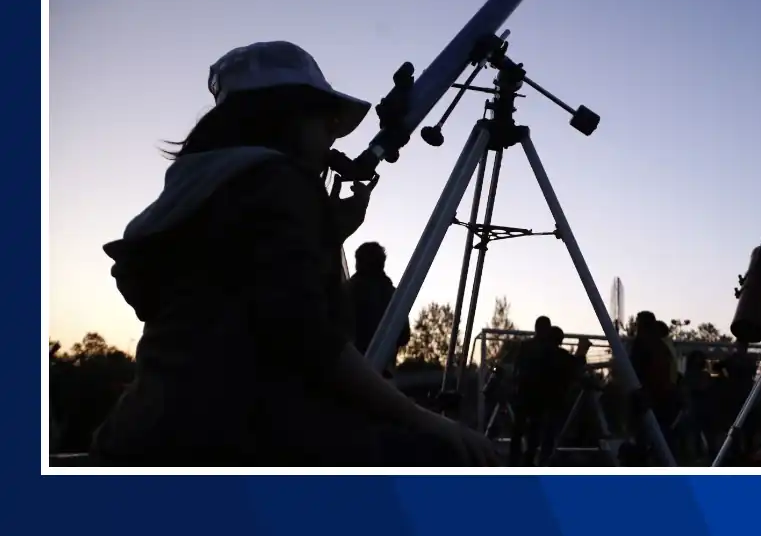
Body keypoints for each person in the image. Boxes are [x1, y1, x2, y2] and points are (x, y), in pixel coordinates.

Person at [91, 41, 498, 467]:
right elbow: (304, 336)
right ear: (285, 114)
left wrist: (328, 231)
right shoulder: (277, 181)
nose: (331, 133)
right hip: (238, 444)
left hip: (148, 435)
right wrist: (427, 420)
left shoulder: (206, 188)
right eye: (326, 120)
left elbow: (235, 285)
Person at [347, 241, 410, 371]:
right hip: (383, 374)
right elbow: (404, 336)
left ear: (358, 262)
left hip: (349, 373)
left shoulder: (346, 290)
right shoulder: (395, 295)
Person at [509, 316, 554, 465]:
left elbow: (517, 368)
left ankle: (515, 460)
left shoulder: (526, 346)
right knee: (533, 431)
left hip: (526, 393)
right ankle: (527, 460)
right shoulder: (548, 349)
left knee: (520, 430)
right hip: (538, 395)